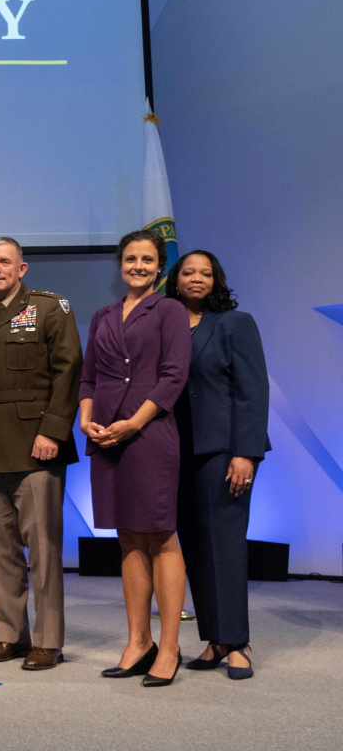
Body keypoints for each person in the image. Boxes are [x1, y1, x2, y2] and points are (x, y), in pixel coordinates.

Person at [0, 238, 82, 671]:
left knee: (43, 551)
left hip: (36, 449)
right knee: (0, 552)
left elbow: (69, 371)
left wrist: (53, 432)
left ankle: (47, 641)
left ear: (22, 268)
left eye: (4, 261)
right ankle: (11, 635)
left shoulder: (50, 308)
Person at [79, 229, 191, 687]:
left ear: (160, 267)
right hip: (105, 436)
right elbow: (88, 379)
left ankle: (168, 647)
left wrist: (134, 423)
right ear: (119, 264)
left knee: (161, 536)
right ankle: (137, 641)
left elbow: (173, 376)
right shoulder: (102, 315)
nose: (138, 266)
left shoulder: (170, 310)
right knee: (127, 538)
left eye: (147, 260)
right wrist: (85, 420)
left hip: (149, 434)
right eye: (130, 259)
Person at [167, 250, 270, 680]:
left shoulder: (235, 323)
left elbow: (253, 390)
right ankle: (214, 639)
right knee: (194, 548)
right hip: (176, 454)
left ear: (216, 280)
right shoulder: (167, 327)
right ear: (175, 280)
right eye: (188, 272)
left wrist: (245, 453)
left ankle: (238, 641)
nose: (196, 278)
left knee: (224, 547)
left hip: (225, 452)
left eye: (205, 273)